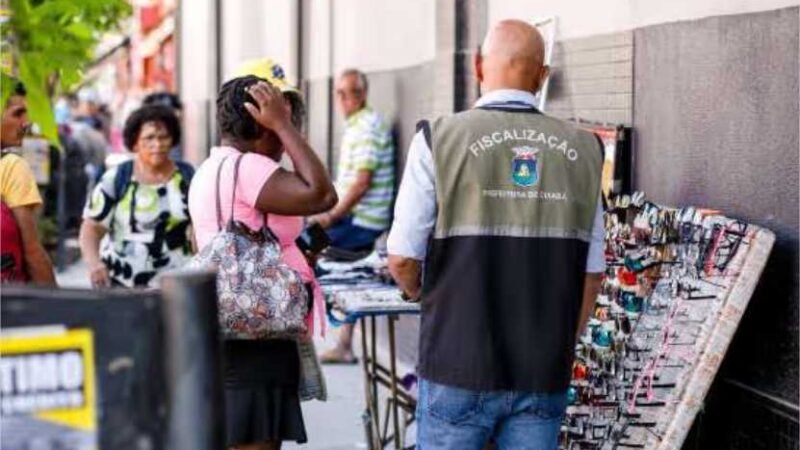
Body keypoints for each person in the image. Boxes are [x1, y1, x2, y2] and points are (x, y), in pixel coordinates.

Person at [386, 20, 605, 449]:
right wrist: (562, 343)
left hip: (456, 363)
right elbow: (592, 275)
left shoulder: (438, 139)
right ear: (542, 77)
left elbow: (401, 258)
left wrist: (418, 294)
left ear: (478, 67)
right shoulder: (585, 151)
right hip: (542, 370)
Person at [189, 76, 336, 450]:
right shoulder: (251, 167)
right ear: (260, 120)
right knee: (257, 441)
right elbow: (322, 194)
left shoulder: (210, 167)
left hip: (228, 326)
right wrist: (283, 125)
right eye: (282, 119)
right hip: (258, 332)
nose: (287, 140)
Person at [316, 68, 395, 364]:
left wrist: (331, 217)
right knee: (344, 271)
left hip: (362, 220)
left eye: (344, 92)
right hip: (356, 217)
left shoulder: (367, 128)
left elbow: (362, 182)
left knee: (309, 247)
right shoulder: (358, 124)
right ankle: (345, 343)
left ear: (360, 94)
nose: (339, 99)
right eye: (337, 92)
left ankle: (312, 332)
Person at [79, 105, 194, 288]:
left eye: (163, 137)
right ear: (135, 143)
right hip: (122, 285)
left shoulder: (188, 177)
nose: (157, 144)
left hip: (178, 288)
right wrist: (94, 265)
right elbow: (91, 228)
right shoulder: (116, 178)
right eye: (149, 138)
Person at [0, 80, 56, 285]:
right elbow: (33, 253)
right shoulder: (11, 168)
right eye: (18, 113)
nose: (27, 122)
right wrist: (60, 307)